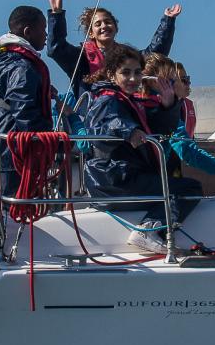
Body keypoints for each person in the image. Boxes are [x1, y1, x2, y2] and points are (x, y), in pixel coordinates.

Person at [82, 43, 204, 253]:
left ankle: (153, 227)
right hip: (114, 181)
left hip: (118, 179)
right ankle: (149, 230)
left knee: (178, 185)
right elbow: (107, 122)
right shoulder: (107, 100)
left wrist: (168, 105)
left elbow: (157, 129)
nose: (133, 78)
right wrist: (129, 131)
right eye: (126, 73)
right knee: (191, 189)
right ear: (111, 74)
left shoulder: (126, 100)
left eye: (137, 72)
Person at [45, 0, 182, 101]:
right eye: (98, 24)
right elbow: (56, 49)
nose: (104, 26)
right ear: (91, 33)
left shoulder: (128, 56)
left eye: (108, 22)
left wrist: (168, 21)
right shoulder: (81, 57)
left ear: (116, 28)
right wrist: (57, 14)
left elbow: (154, 54)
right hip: (93, 117)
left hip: (124, 112)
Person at [142, 53, 215, 192]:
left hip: (140, 179)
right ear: (156, 83)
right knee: (193, 189)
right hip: (145, 183)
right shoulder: (162, 112)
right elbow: (189, 152)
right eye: (175, 80)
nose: (184, 84)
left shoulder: (142, 104)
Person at [0, 5, 54, 196]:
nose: (46, 35)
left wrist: (41, 90)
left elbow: (8, 91)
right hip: (10, 146)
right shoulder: (23, 67)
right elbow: (24, 112)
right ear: (28, 32)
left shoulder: (2, 58)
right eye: (43, 29)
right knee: (15, 200)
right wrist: (48, 142)